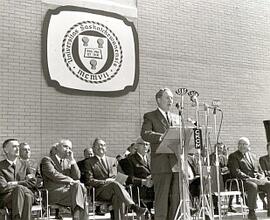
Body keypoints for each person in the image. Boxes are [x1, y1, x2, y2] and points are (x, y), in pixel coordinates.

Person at [141, 88, 180, 220]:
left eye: (172, 98)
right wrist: (163, 137)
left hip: (176, 164)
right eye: (167, 98)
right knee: (162, 199)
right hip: (161, 164)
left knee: (176, 198)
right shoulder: (150, 116)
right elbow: (145, 134)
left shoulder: (176, 118)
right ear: (158, 100)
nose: (171, 100)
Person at [84, 138, 147, 220]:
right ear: (93, 148)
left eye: (103, 145)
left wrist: (120, 182)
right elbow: (89, 180)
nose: (101, 147)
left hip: (117, 190)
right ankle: (133, 207)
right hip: (101, 191)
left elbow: (122, 176)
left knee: (118, 197)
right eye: (98, 145)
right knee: (114, 184)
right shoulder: (88, 162)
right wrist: (105, 181)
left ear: (106, 148)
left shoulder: (113, 160)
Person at [40, 139, 88, 220]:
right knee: (81, 193)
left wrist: (72, 161)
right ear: (57, 147)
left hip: (69, 192)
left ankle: (77, 216)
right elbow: (53, 174)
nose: (68, 149)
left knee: (79, 190)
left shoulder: (68, 161)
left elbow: (77, 177)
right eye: (65, 146)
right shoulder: (47, 160)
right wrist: (71, 180)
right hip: (53, 193)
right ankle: (78, 217)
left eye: (70, 148)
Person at [228, 137, 270, 220]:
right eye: (240, 144)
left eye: (244, 144)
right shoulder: (233, 156)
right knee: (253, 185)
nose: (242, 146)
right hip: (241, 181)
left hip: (255, 180)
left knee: (269, 184)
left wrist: (261, 177)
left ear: (248, 145)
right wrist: (251, 179)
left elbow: (260, 170)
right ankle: (251, 212)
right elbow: (236, 172)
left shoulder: (253, 156)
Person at [0, 139, 37, 220]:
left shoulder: (25, 164)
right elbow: (3, 187)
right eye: (14, 147)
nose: (17, 149)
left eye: (18, 146)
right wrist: (23, 184)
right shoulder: (0, 166)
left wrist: (14, 183)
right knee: (23, 193)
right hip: (8, 197)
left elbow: (33, 182)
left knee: (23, 192)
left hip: (25, 193)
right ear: (6, 150)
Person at [124, 137, 154, 218]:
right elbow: (129, 178)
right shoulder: (130, 160)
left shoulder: (152, 158)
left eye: (147, 144)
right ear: (136, 146)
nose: (145, 146)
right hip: (139, 188)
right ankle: (146, 212)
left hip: (154, 186)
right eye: (142, 144)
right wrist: (143, 181)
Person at [259, 142, 270, 209]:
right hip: (265, 179)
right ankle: (264, 202)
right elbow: (264, 171)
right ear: (267, 150)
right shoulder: (263, 159)